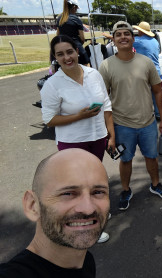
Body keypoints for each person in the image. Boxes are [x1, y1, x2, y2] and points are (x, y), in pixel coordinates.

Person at [40, 35, 114, 243]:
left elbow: (106, 103)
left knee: (92, 181)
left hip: (98, 137)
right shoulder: (53, 85)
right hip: (72, 142)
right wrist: (79, 116)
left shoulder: (93, 74)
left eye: (69, 52)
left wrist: (111, 134)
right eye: (60, 54)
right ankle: (86, 227)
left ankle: (94, 213)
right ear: (55, 57)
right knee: (77, 186)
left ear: (77, 51)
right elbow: (49, 120)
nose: (67, 57)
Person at [0, 149, 110, 277]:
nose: (88, 208)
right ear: (32, 205)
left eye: (98, 192)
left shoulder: (86, 261)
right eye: (68, 193)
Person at [99, 21, 162, 211]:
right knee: (125, 159)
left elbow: (158, 92)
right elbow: (104, 101)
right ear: (113, 40)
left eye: (127, 33)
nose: (123, 37)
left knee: (151, 156)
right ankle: (125, 190)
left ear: (133, 38)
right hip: (122, 124)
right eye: (118, 34)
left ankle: (155, 184)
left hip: (147, 122)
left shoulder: (145, 62)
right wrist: (110, 132)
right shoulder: (106, 66)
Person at [132, 21, 161, 121]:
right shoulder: (155, 41)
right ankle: (158, 114)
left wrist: (109, 36)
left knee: (143, 94)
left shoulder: (138, 41)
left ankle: (146, 115)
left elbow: (124, 41)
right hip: (156, 70)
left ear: (141, 31)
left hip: (146, 71)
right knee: (156, 94)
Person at [56, 0, 89, 65]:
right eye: (76, 8)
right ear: (74, 7)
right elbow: (82, 39)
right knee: (85, 65)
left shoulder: (60, 19)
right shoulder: (76, 19)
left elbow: (58, 36)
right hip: (77, 47)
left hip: (63, 48)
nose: (76, 11)